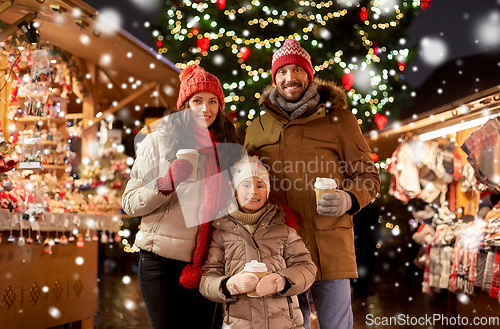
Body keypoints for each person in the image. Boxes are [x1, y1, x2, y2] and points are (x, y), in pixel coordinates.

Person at [244, 39, 381, 329]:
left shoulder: (339, 120)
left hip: (329, 244)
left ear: (309, 75)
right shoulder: (257, 128)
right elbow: (245, 184)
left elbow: (368, 176)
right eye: (282, 72)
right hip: (281, 249)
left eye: (296, 70)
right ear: (274, 78)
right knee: (293, 325)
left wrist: (349, 198)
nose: (289, 78)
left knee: (337, 324)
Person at [122, 64, 241, 329]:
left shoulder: (227, 146)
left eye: (213, 101)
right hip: (161, 263)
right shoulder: (158, 142)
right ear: (184, 104)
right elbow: (129, 203)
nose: (205, 109)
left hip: (207, 265)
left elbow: (229, 209)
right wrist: (167, 182)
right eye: (197, 100)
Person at [200, 156, 317, 329]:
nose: (253, 191)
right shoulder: (221, 232)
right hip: (240, 324)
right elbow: (207, 279)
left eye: (260, 186)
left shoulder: (283, 230)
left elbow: (307, 267)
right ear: (235, 192)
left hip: (286, 324)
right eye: (246, 185)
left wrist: (281, 281)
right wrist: (229, 285)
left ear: (267, 192)